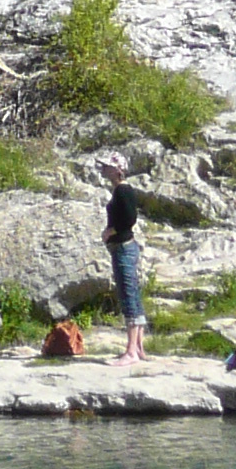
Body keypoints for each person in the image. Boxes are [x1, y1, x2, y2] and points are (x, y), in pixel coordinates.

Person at [101, 154, 148, 362]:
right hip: (124, 248)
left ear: (118, 170)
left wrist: (111, 231)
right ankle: (137, 347)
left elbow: (129, 218)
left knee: (128, 295)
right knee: (133, 295)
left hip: (123, 247)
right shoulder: (121, 190)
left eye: (107, 167)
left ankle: (131, 352)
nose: (104, 170)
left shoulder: (122, 190)